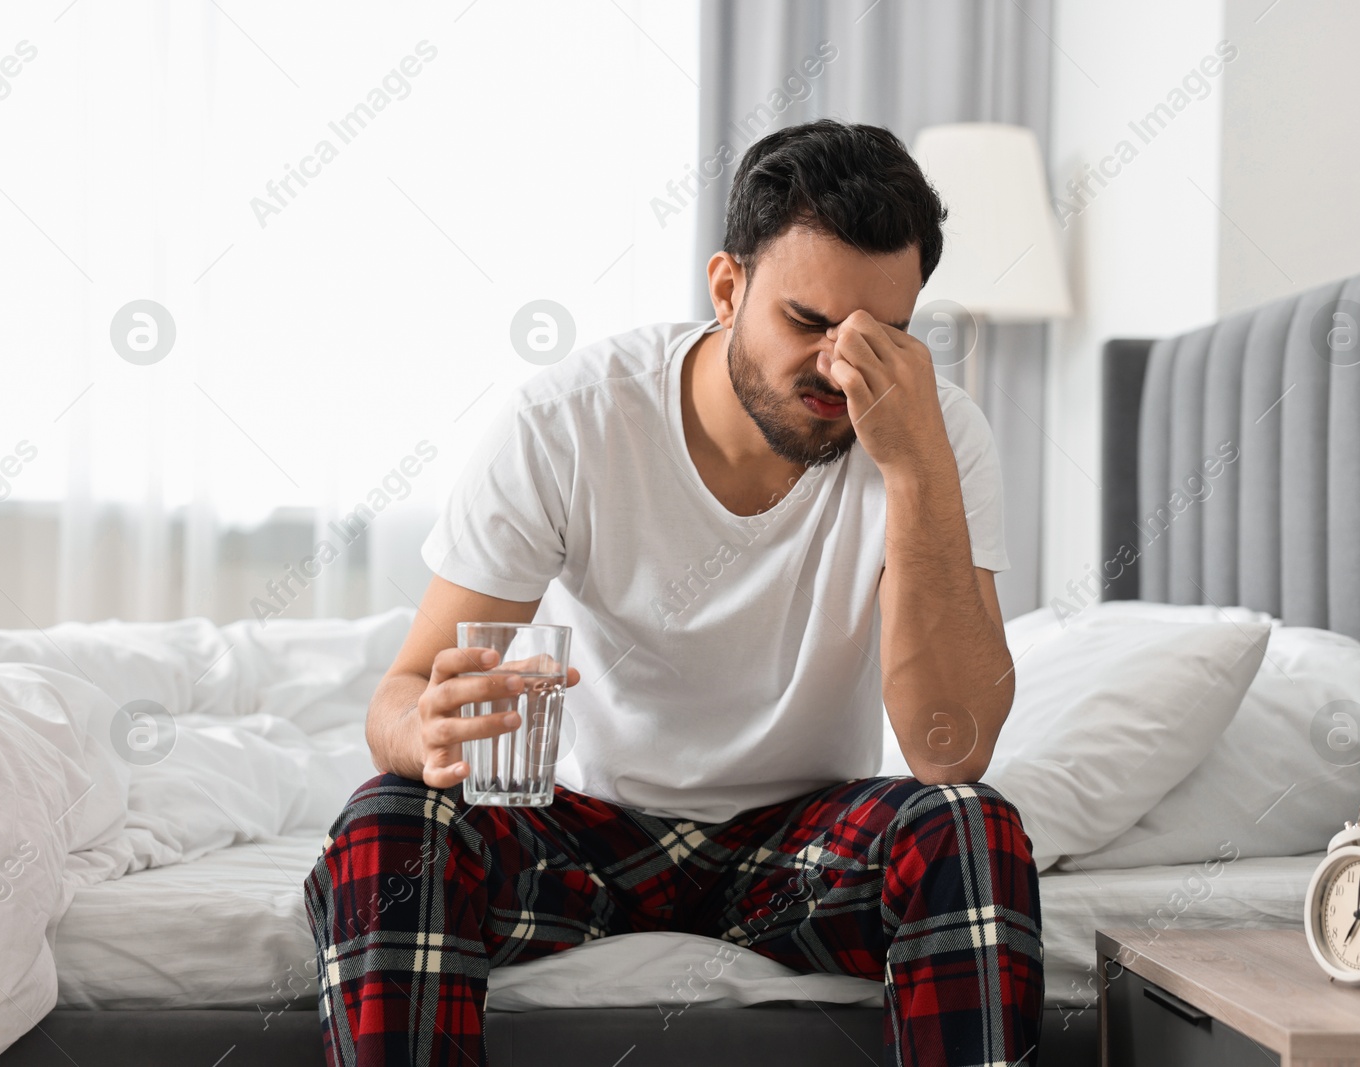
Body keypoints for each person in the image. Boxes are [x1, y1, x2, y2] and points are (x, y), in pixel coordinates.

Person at [305, 118, 1043, 1067]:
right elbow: (399, 699)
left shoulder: (935, 439)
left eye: (880, 337)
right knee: (386, 822)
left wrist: (914, 471)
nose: (838, 369)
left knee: (972, 827)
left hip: (796, 845)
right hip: (579, 835)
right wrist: (429, 730)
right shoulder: (570, 419)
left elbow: (955, 747)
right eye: (808, 323)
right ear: (727, 287)